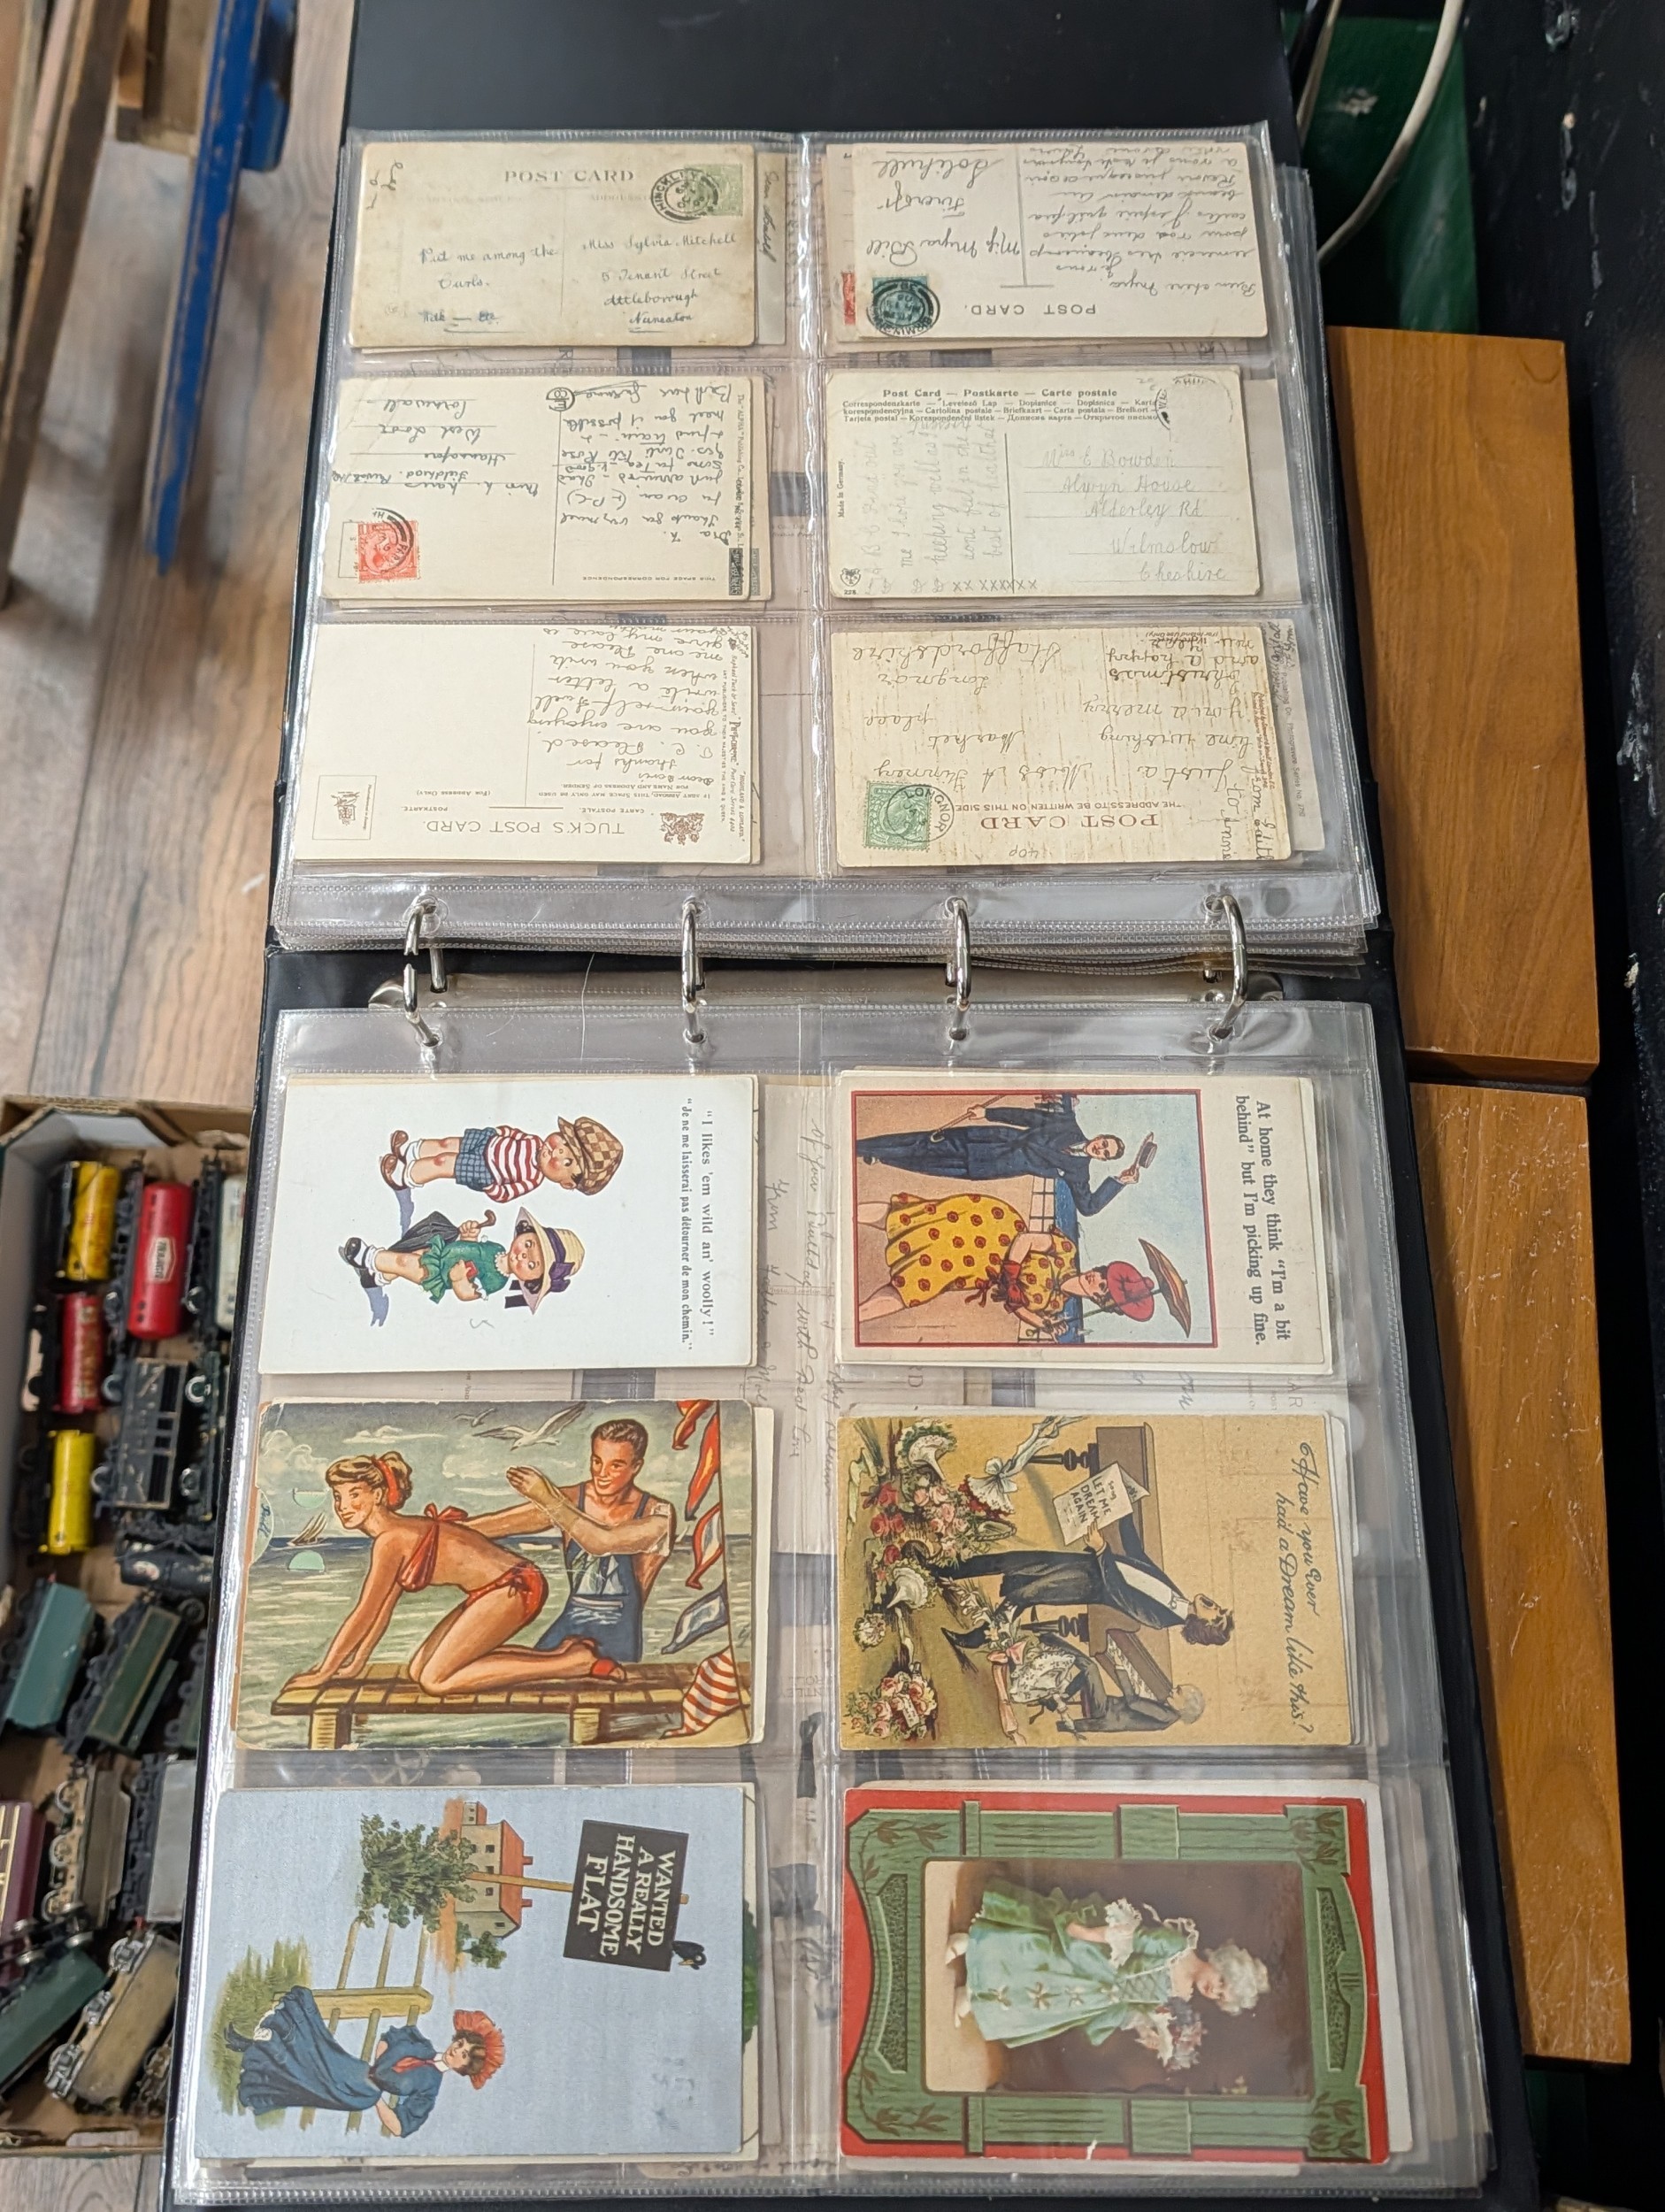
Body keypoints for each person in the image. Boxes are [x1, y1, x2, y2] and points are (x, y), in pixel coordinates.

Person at [286, 1451, 621, 1695]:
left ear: (377, 1495)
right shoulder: (394, 1535)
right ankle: (562, 1655)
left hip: (515, 1586)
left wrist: (324, 1672)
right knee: (418, 1670)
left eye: (354, 1494)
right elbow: (383, 1608)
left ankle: (572, 1664)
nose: (343, 1506)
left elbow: (364, 1613)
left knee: (436, 1680)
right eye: (338, 1496)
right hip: (495, 1589)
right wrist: (357, 1663)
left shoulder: (391, 1540)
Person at [946, 1886, 1267, 2066]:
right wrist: (1088, 1934)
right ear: (1219, 1962)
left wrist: (1148, 2030)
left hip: (1099, 1997)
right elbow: (1132, 1938)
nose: (1214, 1990)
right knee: (1039, 1957)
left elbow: (1139, 2004)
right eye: (1221, 1982)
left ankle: (975, 1996)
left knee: (1041, 2000)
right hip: (1097, 1964)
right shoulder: (1177, 1948)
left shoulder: (1184, 1995)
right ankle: (971, 1942)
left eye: (1220, 1996)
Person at [467, 1418, 676, 1666]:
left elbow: (603, 1542)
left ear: (636, 1466)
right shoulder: (571, 1499)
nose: (602, 1474)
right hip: (571, 1621)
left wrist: (547, 1499)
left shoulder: (658, 1514)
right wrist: (440, 1527)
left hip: (618, 1634)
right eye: (597, 1461)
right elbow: (497, 1525)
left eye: (616, 1465)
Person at [854, 1194, 1147, 1336]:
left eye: (1103, 1286)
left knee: (919, 1286)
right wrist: (1012, 1274)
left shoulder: (1055, 1305)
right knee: (916, 1219)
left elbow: (1018, 1308)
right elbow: (1027, 1240)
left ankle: (855, 1317)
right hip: (991, 1229)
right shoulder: (1066, 1252)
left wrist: (1045, 1325)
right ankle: (845, 1211)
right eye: (1102, 1273)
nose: (1096, 1277)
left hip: (979, 1269)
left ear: (1099, 1300)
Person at [226, 1988, 502, 2133]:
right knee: (316, 2054)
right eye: (460, 2044)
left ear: (464, 2069)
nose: (457, 2050)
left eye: (463, 2055)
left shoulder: (430, 2087)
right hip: (359, 2072)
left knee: (303, 2081)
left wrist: (377, 2100)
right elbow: (390, 2037)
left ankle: (259, 2053)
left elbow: (400, 2127)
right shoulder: (422, 2045)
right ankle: (257, 2041)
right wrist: (381, 2057)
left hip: (362, 2095)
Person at [933, 1516, 1234, 1644]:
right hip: (1086, 1564)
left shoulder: (1160, 1619)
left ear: (1202, 1625)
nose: (1215, 1606)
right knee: (1013, 1561)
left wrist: (1102, 1549)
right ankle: (945, 1570)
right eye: (1220, 1608)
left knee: (1022, 1595)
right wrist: (1126, 1512)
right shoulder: (1177, 1594)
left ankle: (975, 1639)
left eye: (1216, 1615)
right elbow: (1137, 1554)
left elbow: (1117, 1592)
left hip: (1083, 1584)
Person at [856, 1094, 1144, 1217]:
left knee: (926, 1165)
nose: (1100, 1149)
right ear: (1099, 1136)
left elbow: (1089, 1207)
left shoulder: (1078, 1173)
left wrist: (1120, 1181)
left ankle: (882, 1157)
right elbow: (1026, 1116)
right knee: (924, 1141)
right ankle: (862, 1146)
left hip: (988, 1167)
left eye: (1105, 1154)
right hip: (986, 1138)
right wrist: (988, 1113)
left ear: (1103, 1160)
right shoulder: (1068, 1124)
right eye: (1104, 1143)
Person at [339, 1208, 581, 1313]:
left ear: (532, 1281)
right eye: (528, 1245)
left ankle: (367, 1256)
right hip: (440, 1250)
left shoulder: (496, 1281)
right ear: (524, 1232)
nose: (523, 1255)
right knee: (406, 1259)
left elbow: (467, 1294)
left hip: (437, 1274)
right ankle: (376, 1278)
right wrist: (469, 1235)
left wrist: (458, 1280)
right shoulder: (496, 1248)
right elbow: (470, 1248)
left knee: (404, 1263)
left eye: (532, 1265)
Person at [380, 1117, 623, 1202]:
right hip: (487, 1141)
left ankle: (405, 1176)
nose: (558, 1151)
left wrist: (490, 1186)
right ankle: (409, 1151)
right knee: (447, 1144)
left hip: (485, 1170)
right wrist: (499, 1132)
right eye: (564, 1142)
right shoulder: (534, 1141)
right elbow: (515, 1134)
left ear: (567, 1183)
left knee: (443, 1163)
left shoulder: (532, 1179)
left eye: (567, 1162)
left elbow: (507, 1194)